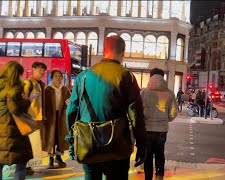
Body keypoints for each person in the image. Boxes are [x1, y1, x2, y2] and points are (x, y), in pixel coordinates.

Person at [66, 35, 146, 180]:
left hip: (88, 144)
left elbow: (71, 111)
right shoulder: (126, 76)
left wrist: (72, 140)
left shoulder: (83, 76)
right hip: (117, 145)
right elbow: (136, 114)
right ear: (123, 52)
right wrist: (141, 144)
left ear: (104, 50)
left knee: (90, 176)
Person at [140, 68, 178, 180]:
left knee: (148, 156)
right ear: (163, 77)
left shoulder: (144, 92)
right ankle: (159, 176)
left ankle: (148, 177)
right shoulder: (170, 94)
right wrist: (166, 119)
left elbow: (137, 111)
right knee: (160, 154)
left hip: (147, 129)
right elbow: (173, 113)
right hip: (162, 130)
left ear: (151, 76)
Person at [0, 61, 33, 180]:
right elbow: (14, 108)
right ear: (17, 73)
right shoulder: (15, 87)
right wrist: (28, 101)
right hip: (13, 130)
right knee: (21, 162)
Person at [43, 70, 70, 169]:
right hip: (50, 117)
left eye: (60, 76)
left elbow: (70, 100)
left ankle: (58, 157)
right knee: (51, 137)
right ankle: (50, 159)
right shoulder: (48, 90)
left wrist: (69, 102)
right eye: (56, 76)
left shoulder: (65, 89)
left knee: (60, 137)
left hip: (61, 116)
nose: (58, 78)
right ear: (52, 78)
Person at [23, 61, 47, 175]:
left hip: (38, 118)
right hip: (29, 118)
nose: (41, 72)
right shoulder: (28, 84)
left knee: (35, 144)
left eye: (43, 70)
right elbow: (22, 101)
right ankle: (26, 167)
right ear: (33, 69)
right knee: (29, 144)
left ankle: (29, 166)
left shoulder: (41, 85)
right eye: (39, 69)